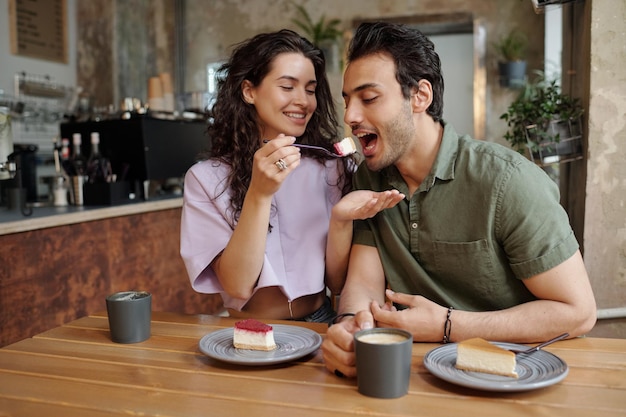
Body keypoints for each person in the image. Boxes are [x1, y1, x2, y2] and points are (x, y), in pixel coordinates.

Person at [321, 22, 597, 377]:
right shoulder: (368, 177)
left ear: (420, 96)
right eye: (347, 100)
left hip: (514, 378)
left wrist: (447, 325)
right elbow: (362, 284)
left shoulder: (508, 181)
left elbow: (579, 312)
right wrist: (349, 326)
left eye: (369, 98)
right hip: (414, 376)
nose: (350, 116)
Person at [180, 29, 403, 323]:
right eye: (287, 87)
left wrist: (340, 219)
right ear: (249, 91)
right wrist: (259, 193)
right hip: (249, 327)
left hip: (321, 321)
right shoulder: (205, 180)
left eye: (310, 90)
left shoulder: (332, 168)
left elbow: (336, 283)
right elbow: (237, 284)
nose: (303, 101)